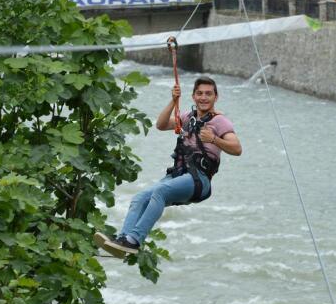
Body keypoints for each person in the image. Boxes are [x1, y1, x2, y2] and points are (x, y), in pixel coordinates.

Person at [94, 76, 242, 257]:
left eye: (208, 94)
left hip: (199, 181)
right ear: (194, 96)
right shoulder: (189, 117)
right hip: (179, 175)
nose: (204, 98)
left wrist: (213, 139)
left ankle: (134, 240)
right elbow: (161, 124)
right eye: (200, 94)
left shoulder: (220, 122)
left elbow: (237, 149)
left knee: (160, 192)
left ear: (215, 97)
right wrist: (173, 100)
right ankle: (122, 240)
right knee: (140, 197)